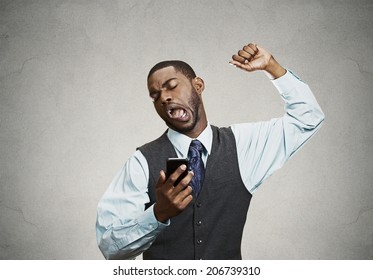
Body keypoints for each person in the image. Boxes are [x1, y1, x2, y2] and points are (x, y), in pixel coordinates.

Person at [96, 43, 325, 260]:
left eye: (172, 86)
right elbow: (110, 247)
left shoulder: (242, 145)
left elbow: (308, 119)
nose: (164, 98)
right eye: (155, 96)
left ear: (198, 85)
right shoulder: (142, 163)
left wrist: (272, 67)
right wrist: (158, 214)